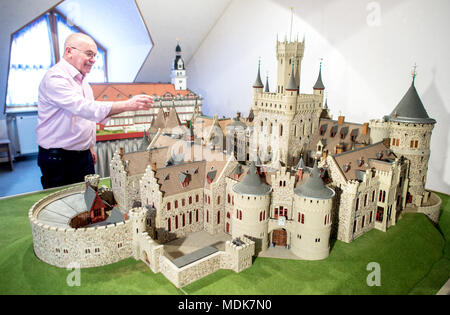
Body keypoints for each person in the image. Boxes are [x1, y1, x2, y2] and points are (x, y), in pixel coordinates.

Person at [36, 33, 153, 189]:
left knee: (89, 198)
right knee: (63, 203)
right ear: (69, 51)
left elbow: (86, 118)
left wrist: (89, 146)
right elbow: (85, 108)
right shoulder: (55, 78)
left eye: (95, 55)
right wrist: (127, 105)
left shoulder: (82, 79)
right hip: (59, 157)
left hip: (82, 154)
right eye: (89, 54)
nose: (93, 60)